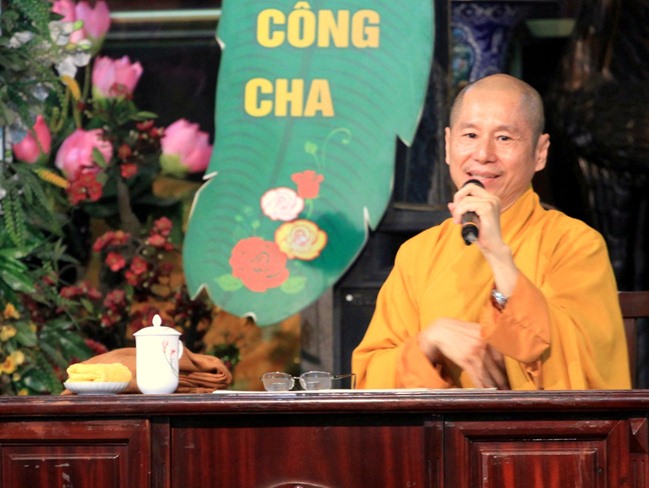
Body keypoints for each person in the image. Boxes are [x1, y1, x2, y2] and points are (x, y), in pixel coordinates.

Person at [351, 73, 631, 390]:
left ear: (540, 153)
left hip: (534, 423)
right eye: (470, 135)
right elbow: (370, 378)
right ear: (448, 145)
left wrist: (498, 254)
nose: (483, 154)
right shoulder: (418, 254)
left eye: (504, 138)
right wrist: (429, 342)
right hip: (443, 423)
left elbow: (582, 370)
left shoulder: (575, 244)